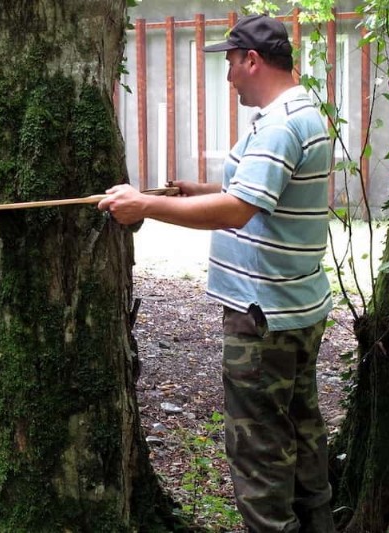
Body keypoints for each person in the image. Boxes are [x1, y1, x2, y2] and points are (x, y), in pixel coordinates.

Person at [98, 14, 336, 533]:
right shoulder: (301, 111)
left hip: (263, 317)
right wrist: (196, 191)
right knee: (301, 436)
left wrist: (143, 206)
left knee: (258, 453)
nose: (227, 76)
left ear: (252, 60)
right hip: (294, 308)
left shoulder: (279, 124)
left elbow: (238, 211)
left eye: (230, 63)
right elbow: (258, 194)